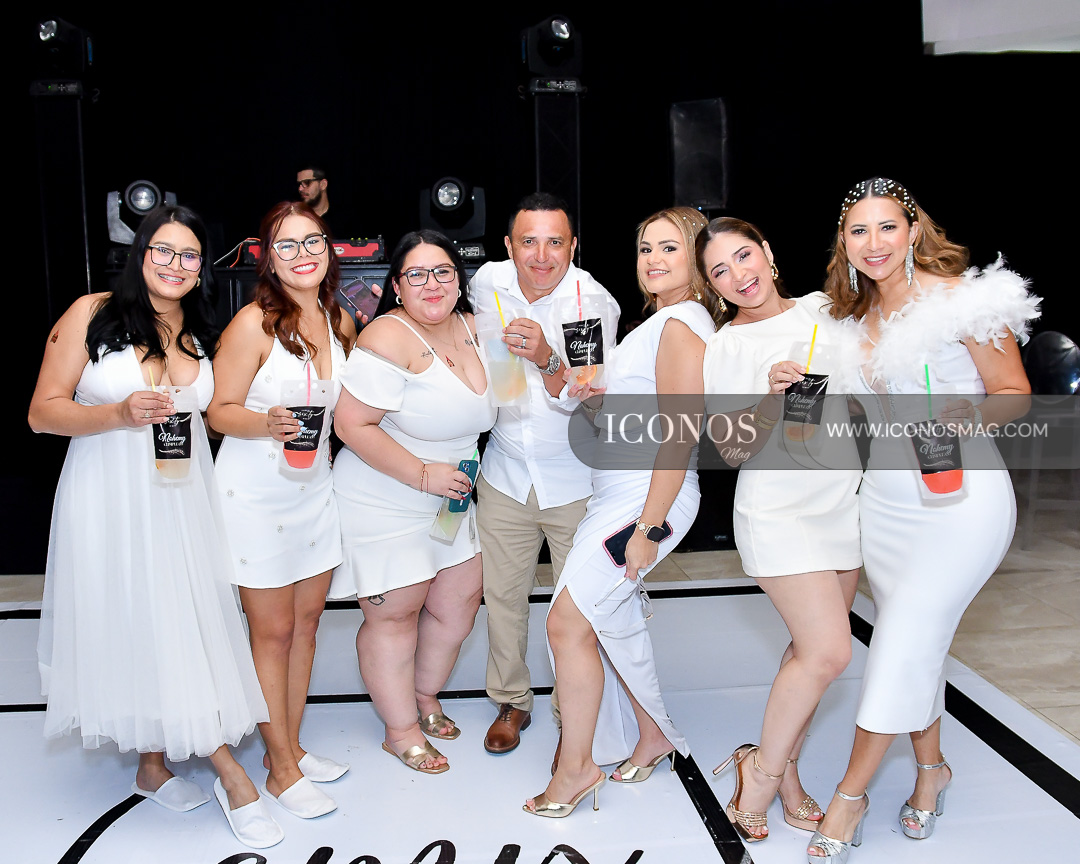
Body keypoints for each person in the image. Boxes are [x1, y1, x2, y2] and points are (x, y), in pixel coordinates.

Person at [29, 205, 283, 848]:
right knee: (141, 615)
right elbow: (42, 413)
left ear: (202, 269)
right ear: (140, 255)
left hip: (182, 500)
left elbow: (214, 414)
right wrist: (116, 413)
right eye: (163, 251)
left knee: (176, 618)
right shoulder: (92, 314)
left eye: (189, 255)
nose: (176, 264)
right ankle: (232, 775)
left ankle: (151, 766)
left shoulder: (198, 333)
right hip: (109, 496)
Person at [807, 178, 1038, 862]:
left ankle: (850, 796)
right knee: (917, 643)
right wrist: (798, 390)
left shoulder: (964, 301)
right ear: (843, 243)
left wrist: (966, 417)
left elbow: (1015, 393)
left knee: (903, 639)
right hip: (886, 504)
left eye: (887, 227)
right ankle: (931, 771)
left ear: (913, 230)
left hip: (961, 502)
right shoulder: (850, 317)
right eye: (858, 231)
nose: (873, 243)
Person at [524, 206, 719, 817]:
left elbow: (681, 434)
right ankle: (653, 734)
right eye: (645, 248)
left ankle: (577, 768)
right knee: (611, 620)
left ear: (696, 257)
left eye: (669, 247)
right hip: (617, 494)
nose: (653, 259)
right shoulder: (658, 323)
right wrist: (579, 387)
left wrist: (648, 527)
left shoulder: (682, 324)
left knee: (566, 624)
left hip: (643, 499)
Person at [698, 218, 863, 843]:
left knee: (806, 655)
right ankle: (760, 777)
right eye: (720, 270)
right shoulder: (726, 347)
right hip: (778, 511)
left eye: (744, 255)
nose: (739, 275)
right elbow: (731, 451)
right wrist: (769, 399)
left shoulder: (825, 310)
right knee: (830, 652)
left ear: (767, 252)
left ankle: (785, 774)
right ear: (713, 286)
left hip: (839, 502)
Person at [208, 202, 356, 820]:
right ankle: (282, 771)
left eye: (312, 241)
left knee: (306, 626)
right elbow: (218, 411)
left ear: (329, 248)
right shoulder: (253, 324)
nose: (302, 255)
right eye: (287, 245)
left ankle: (287, 749)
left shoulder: (340, 318)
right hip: (254, 495)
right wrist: (263, 422)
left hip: (313, 492)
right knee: (270, 633)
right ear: (269, 258)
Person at [329, 229, 497, 773]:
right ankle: (399, 729)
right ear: (397, 286)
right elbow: (351, 424)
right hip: (388, 494)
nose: (432, 284)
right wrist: (424, 475)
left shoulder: (475, 328)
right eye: (416, 274)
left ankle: (424, 695)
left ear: (459, 280)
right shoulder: (387, 335)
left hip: (453, 497)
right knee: (394, 618)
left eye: (442, 271)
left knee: (457, 607)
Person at [467, 193, 620, 755]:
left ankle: (570, 715)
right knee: (503, 598)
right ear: (508, 246)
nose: (541, 255)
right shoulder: (486, 283)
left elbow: (593, 404)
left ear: (572, 246)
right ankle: (511, 700)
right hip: (505, 471)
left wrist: (548, 357)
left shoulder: (591, 304)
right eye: (528, 241)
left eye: (555, 242)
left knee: (575, 609)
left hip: (575, 479)